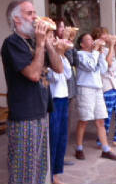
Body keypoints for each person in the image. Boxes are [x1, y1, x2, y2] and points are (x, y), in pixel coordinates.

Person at [1, 0, 63, 184]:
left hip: (41, 111)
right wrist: (41, 44)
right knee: (23, 170)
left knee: (40, 166)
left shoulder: (38, 42)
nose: (35, 17)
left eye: (35, 12)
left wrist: (48, 43)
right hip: (24, 115)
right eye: (30, 13)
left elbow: (59, 68)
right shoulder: (12, 43)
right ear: (17, 19)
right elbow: (34, 74)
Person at [74, 33, 116, 161]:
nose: (92, 41)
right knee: (84, 120)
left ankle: (105, 149)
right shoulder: (80, 54)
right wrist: (95, 51)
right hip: (85, 88)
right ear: (82, 44)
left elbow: (104, 69)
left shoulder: (96, 53)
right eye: (88, 39)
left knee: (100, 120)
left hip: (98, 88)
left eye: (92, 39)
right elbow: (89, 66)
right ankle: (79, 148)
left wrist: (101, 52)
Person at [92, 27, 116, 147]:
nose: (106, 36)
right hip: (106, 86)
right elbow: (107, 64)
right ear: (98, 37)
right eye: (103, 34)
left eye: (106, 34)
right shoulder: (96, 49)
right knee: (106, 115)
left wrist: (115, 47)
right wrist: (112, 45)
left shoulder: (110, 48)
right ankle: (101, 141)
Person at [47, 32, 72, 184]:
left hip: (63, 98)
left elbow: (68, 74)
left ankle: (57, 170)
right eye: (51, 37)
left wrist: (61, 55)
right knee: (54, 137)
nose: (55, 40)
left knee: (62, 136)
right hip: (54, 100)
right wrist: (57, 53)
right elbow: (55, 76)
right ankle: (51, 173)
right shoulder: (46, 56)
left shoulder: (59, 56)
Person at [54, 19, 79, 166]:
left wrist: (70, 42)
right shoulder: (56, 44)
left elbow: (75, 61)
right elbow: (66, 62)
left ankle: (61, 156)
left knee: (67, 124)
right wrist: (64, 43)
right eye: (61, 27)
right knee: (59, 125)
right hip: (59, 90)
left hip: (69, 88)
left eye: (65, 27)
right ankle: (57, 157)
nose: (64, 29)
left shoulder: (66, 44)